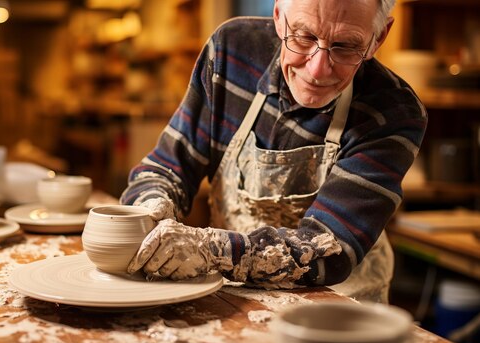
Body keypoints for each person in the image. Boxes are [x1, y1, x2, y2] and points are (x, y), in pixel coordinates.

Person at [120, 0, 427, 303]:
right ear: (279, 17)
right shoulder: (232, 51)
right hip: (233, 296)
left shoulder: (393, 113)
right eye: (304, 37)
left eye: (346, 45)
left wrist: (211, 249)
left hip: (341, 306)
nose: (318, 70)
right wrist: (150, 210)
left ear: (378, 38)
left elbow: (328, 250)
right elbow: (165, 168)